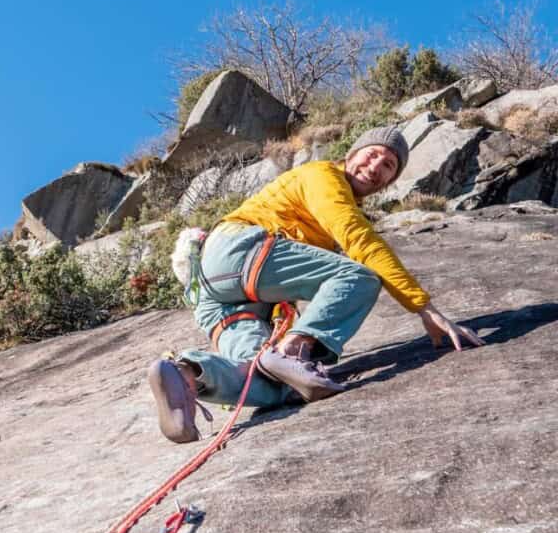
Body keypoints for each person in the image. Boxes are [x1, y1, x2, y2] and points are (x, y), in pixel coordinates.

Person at [148, 125, 485, 444]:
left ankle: (186, 374)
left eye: (388, 166)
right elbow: (357, 238)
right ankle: (294, 348)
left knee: (273, 383)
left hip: (220, 291)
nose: (376, 167)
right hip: (238, 249)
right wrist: (423, 307)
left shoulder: (330, 192)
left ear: (389, 182)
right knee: (360, 276)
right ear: (352, 153)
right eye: (372, 154)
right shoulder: (322, 175)